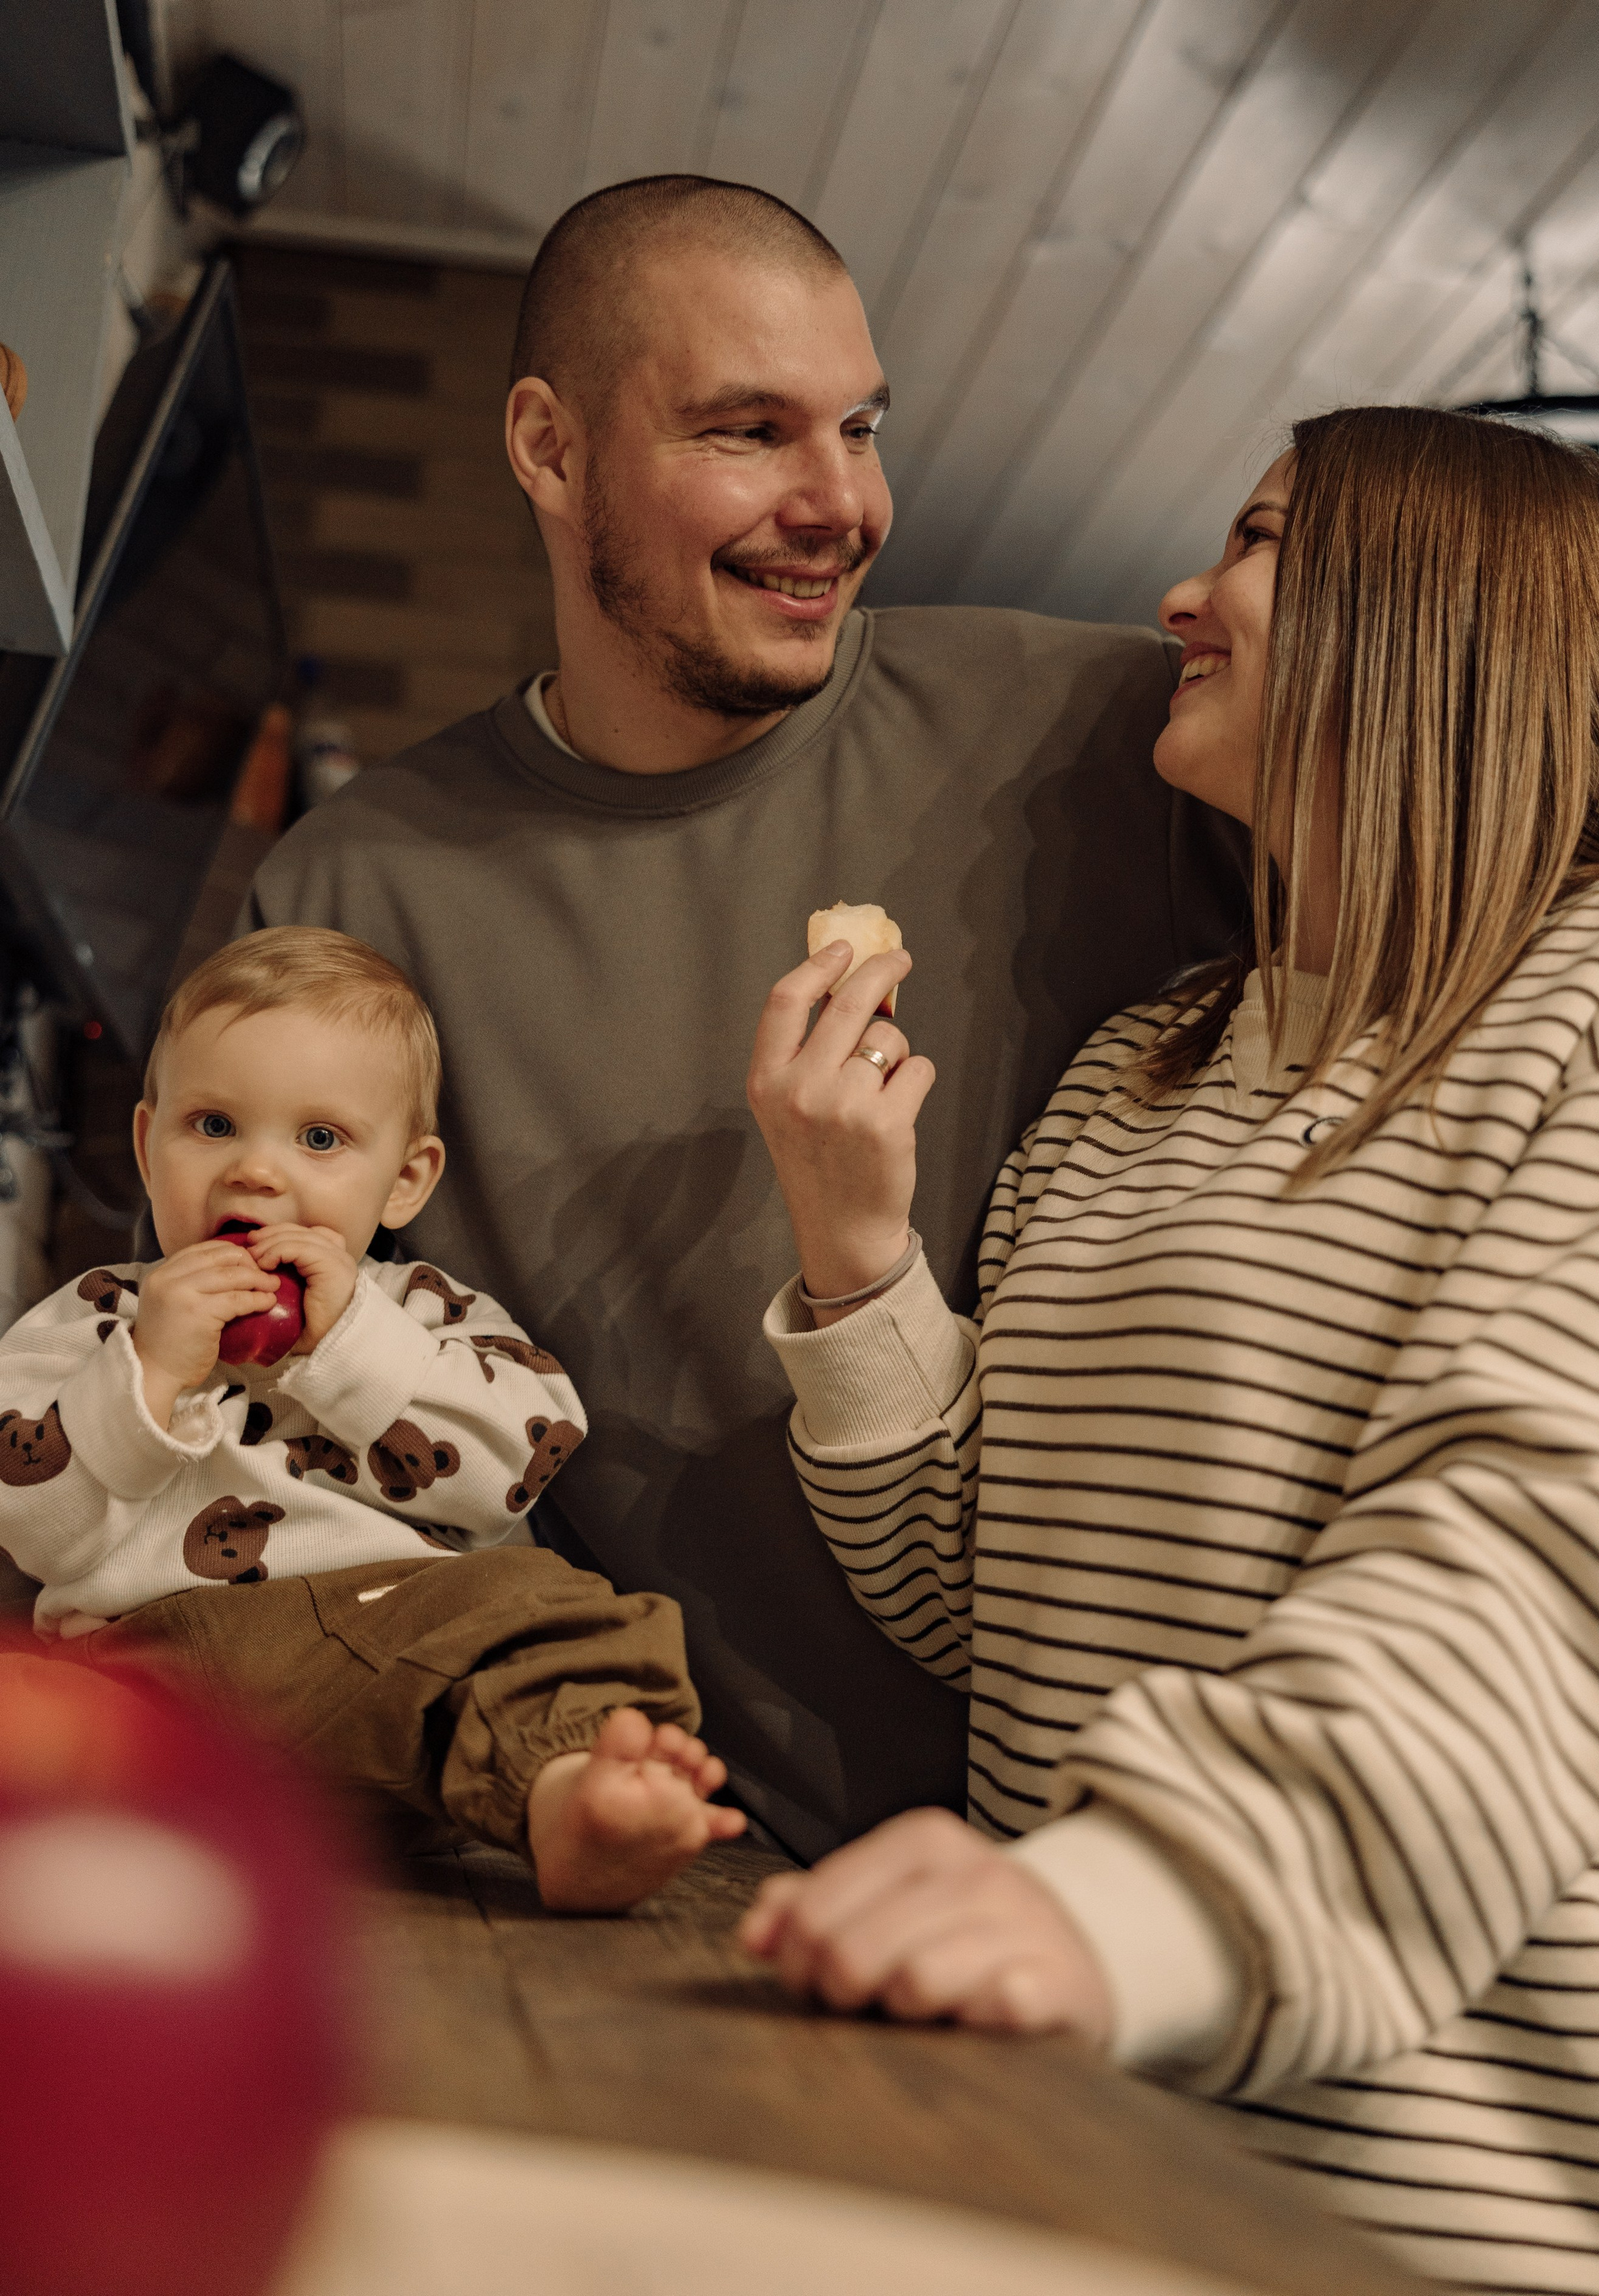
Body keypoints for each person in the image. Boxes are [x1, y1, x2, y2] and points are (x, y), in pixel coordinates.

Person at [741, 405, 1599, 2291]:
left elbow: (1555, 1554)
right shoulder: (1138, 1071)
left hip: (1433, 2200)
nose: (1176, 594)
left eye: (1252, 540)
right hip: (1081, 2147)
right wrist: (852, 1249)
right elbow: (970, 1601)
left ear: (1434, 611)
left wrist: (1140, 1906)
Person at [243, 173, 1247, 1861]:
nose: (839, 500)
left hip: (1157, 1864)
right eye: (747, 432)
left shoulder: (1119, 732)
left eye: (858, 425)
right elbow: (300, 1456)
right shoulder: (352, 904)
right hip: (675, 1863)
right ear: (550, 450)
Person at [0, 928, 742, 1909]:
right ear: (147, 1145)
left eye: (319, 1140)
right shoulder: (96, 1317)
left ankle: (566, 1798)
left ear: (405, 1179)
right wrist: (146, 1374)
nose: (257, 1173)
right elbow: (33, 1529)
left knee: (549, 1608)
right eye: (213, 1125)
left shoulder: (428, 1316)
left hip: (394, 1661)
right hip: (150, 1671)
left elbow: (512, 1469)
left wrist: (345, 1345)